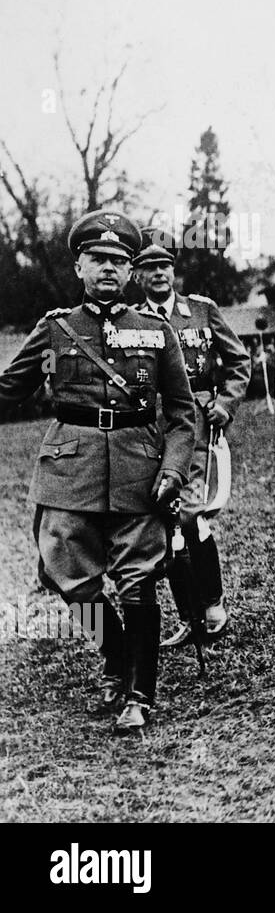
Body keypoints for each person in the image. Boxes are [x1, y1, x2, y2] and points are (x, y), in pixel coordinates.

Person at [0, 211, 195, 731]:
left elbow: (181, 413)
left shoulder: (155, 331)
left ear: (131, 271)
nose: (109, 269)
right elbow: (8, 391)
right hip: (69, 469)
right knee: (73, 581)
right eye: (99, 260)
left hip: (139, 469)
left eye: (119, 261)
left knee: (138, 581)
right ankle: (115, 654)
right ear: (79, 267)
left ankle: (139, 693)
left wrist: (174, 470)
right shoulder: (56, 329)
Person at [132, 233, 251, 647]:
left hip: (198, 424)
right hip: (150, 427)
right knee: (164, 520)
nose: (159, 274)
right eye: (149, 267)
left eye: (164, 265)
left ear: (173, 270)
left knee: (189, 513)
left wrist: (228, 403)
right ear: (136, 275)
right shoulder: (129, 321)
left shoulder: (201, 311)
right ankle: (188, 615)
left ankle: (213, 603)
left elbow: (239, 361)